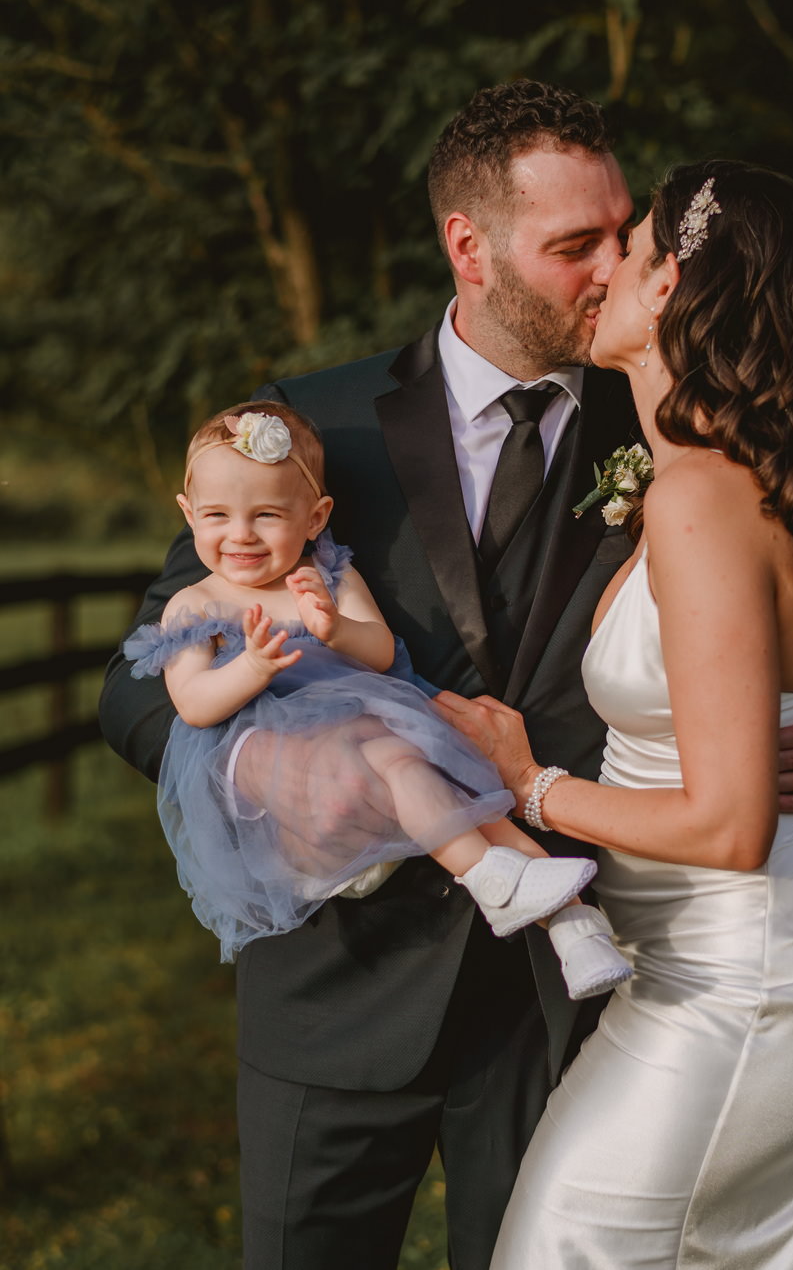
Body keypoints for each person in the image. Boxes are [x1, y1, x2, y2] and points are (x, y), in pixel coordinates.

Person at [99, 81, 793, 1270]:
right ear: (468, 247)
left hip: (571, 1002)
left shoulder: (673, 426)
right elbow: (138, 677)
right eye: (572, 244)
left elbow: (767, 638)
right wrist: (267, 766)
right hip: (337, 989)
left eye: (617, 238)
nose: (604, 270)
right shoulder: (313, 430)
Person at [436, 160, 793, 1268]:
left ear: (668, 285)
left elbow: (732, 827)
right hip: (732, 968)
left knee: (556, 1243)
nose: (600, 270)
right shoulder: (754, 475)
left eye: (624, 248)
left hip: (741, 990)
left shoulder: (700, 499)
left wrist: (533, 787)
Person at [124, 399, 629, 1000]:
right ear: (187, 514)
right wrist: (255, 666)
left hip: (377, 721)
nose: (240, 535)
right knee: (414, 770)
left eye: (266, 515)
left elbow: (384, 654)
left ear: (315, 517)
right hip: (295, 761)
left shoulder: (330, 575)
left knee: (477, 798)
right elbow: (196, 705)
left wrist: (334, 627)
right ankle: (494, 878)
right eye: (215, 515)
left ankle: (574, 927)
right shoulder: (196, 605)